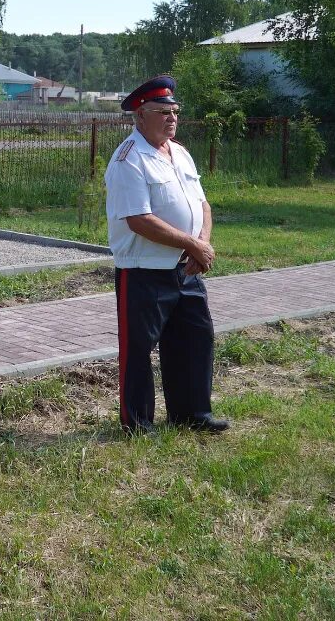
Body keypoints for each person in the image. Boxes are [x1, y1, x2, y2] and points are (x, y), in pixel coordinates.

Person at [104, 74, 228, 434]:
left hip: (185, 269)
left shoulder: (181, 153)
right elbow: (139, 220)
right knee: (138, 350)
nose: (172, 118)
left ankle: (192, 414)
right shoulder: (129, 159)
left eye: (174, 111)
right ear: (140, 116)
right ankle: (138, 424)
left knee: (194, 340)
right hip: (144, 269)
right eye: (162, 112)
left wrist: (201, 244)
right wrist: (191, 245)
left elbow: (201, 204)